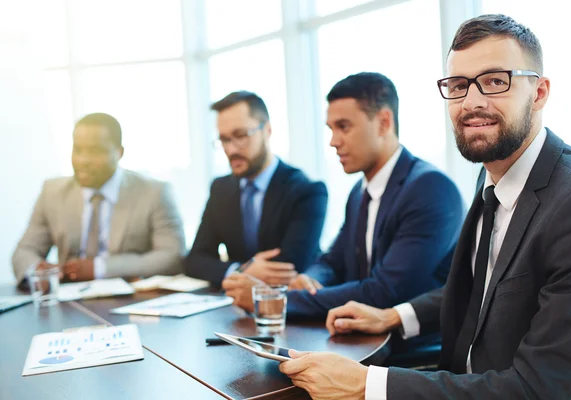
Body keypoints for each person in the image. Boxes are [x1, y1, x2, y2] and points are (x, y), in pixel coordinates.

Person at [278, 14, 571, 400]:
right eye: (459, 85)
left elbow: (538, 388)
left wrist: (368, 386)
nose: (472, 102)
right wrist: (395, 316)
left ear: (540, 92)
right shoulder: (495, 174)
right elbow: (482, 290)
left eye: (496, 81)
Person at [223, 73, 464, 324]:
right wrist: (312, 279)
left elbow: (385, 291)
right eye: (331, 129)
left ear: (383, 122)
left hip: (413, 351)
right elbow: (332, 261)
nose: (333, 141)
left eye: (343, 127)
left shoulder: (430, 189)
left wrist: (274, 300)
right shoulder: (359, 192)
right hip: (360, 335)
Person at [13, 113, 185, 285]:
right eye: (77, 150)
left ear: (119, 152)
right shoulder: (52, 192)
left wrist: (99, 268)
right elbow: (25, 250)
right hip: (69, 299)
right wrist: (37, 271)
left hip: (127, 298)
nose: (83, 160)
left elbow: (172, 256)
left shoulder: (154, 192)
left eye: (95, 151)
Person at [184, 91, 328, 287]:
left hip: (286, 306)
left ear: (267, 130)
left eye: (241, 135)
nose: (231, 149)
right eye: (224, 139)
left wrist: (238, 272)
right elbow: (195, 260)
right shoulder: (221, 188)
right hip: (233, 305)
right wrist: (241, 270)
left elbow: (290, 267)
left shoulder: (307, 191)